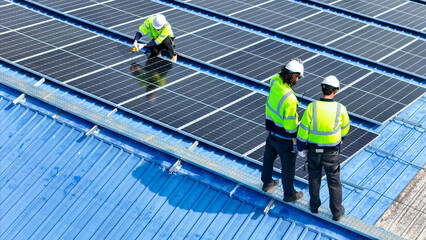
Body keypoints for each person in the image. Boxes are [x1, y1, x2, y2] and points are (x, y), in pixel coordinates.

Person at [296, 75, 350, 221]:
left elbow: (303, 131)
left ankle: (314, 206)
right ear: (336, 91)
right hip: (332, 153)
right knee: (334, 182)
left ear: (321, 88)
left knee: (314, 177)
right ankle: (337, 212)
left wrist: (301, 148)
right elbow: (345, 130)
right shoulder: (341, 109)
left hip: (314, 151)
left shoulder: (312, 107)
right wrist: (339, 141)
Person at [261, 58, 304, 203]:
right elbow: (290, 123)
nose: (298, 80)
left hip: (272, 131)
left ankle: (267, 182)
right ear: (293, 76)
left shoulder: (274, 81)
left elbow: (279, 74)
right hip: (284, 138)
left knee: (268, 158)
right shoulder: (290, 98)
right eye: (298, 76)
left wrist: (290, 65)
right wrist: (294, 139)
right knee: (288, 166)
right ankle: (289, 194)